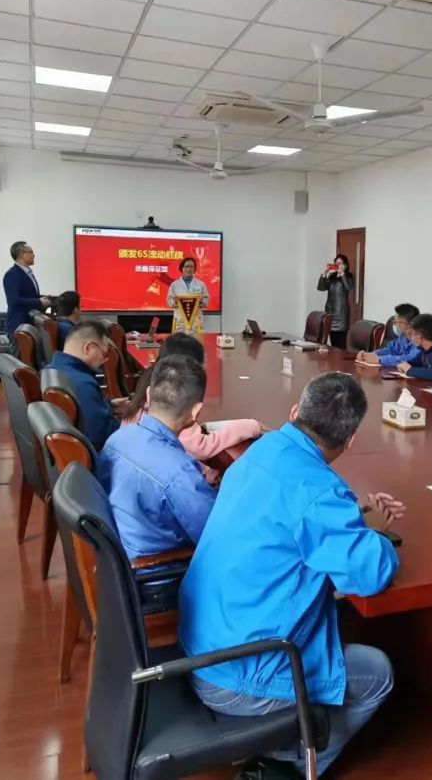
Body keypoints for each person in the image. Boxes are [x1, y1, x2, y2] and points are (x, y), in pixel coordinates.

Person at [179, 373, 404, 778]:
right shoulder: (320, 493)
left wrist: (353, 518)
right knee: (378, 674)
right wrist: (379, 536)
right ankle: (289, 766)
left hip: (202, 643)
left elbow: (292, 514)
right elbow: (371, 574)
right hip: (239, 676)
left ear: (295, 411)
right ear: (351, 440)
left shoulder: (261, 451)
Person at [98, 354, 217, 561]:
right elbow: (216, 538)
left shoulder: (116, 439)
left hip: (119, 553)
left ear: (148, 395)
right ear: (195, 411)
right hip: (157, 570)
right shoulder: (179, 475)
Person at [119, 332, 263, 485]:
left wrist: (204, 470)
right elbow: (200, 447)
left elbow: (178, 447)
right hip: (157, 481)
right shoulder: (175, 403)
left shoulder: (151, 381)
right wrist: (250, 426)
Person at [43, 320, 122, 450]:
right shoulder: (84, 384)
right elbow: (101, 436)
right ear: (88, 348)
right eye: (104, 354)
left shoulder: (49, 371)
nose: (104, 361)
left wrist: (109, 405)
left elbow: (80, 412)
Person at [3, 241, 50, 339]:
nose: (34, 255)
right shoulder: (12, 274)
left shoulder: (28, 273)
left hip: (29, 327)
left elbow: (28, 295)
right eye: (31, 252)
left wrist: (42, 299)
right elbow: (13, 301)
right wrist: (38, 302)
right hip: (19, 328)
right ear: (21, 254)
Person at [356, 303, 421, 367]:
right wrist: (369, 355)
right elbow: (390, 350)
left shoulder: (420, 341)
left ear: (404, 325)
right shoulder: (402, 338)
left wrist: (379, 360)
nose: (394, 325)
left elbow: (409, 359)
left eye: (395, 322)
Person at [317, 254, 354, 349]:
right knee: (333, 344)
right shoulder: (332, 277)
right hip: (330, 313)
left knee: (340, 344)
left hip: (341, 315)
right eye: (336, 263)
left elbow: (348, 288)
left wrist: (342, 274)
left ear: (345, 265)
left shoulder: (348, 276)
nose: (337, 265)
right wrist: (325, 274)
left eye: (340, 263)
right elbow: (321, 288)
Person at [167, 256, 210, 336]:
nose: (189, 269)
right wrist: (175, 301)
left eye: (192, 267)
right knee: (179, 342)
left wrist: (201, 301)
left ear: (194, 269)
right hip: (180, 322)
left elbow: (206, 300)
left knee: (195, 342)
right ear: (181, 268)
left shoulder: (201, 284)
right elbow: (169, 302)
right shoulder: (174, 285)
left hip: (196, 322)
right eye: (186, 266)